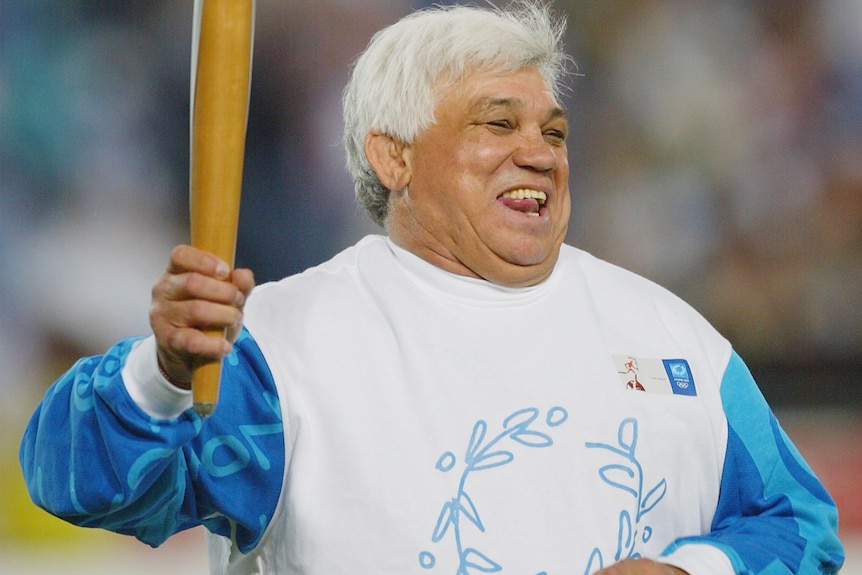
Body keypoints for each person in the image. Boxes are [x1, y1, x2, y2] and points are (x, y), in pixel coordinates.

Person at [20, 2, 844, 575]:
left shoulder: (675, 339)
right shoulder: (283, 346)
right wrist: (161, 374)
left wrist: (691, 567)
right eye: (498, 123)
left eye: (552, 131)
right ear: (393, 156)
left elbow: (803, 528)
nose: (541, 151)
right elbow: (77, 482)